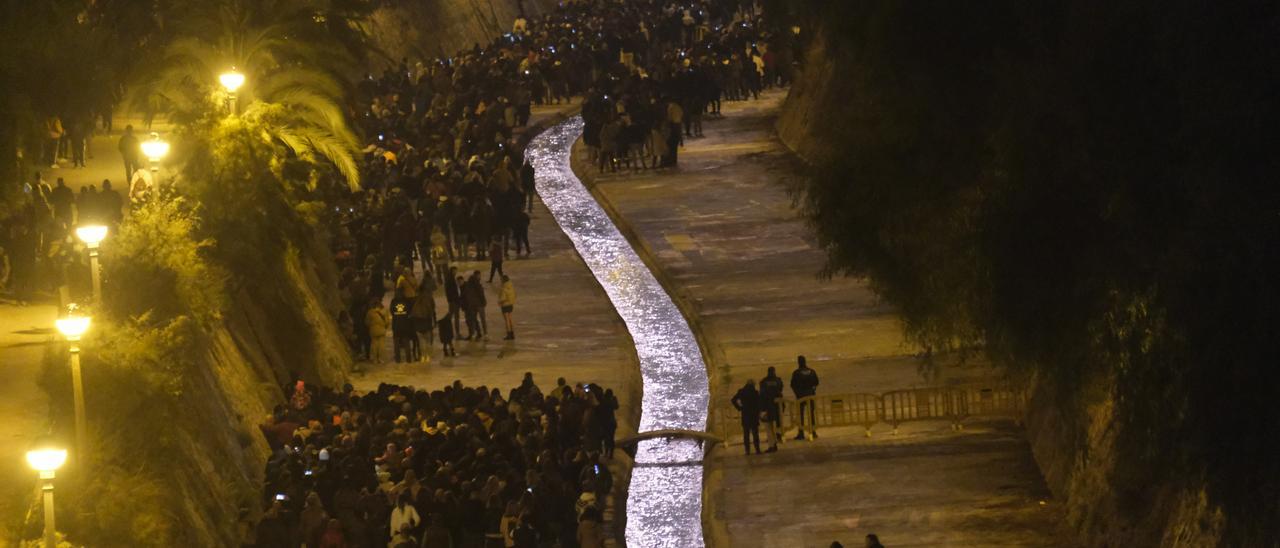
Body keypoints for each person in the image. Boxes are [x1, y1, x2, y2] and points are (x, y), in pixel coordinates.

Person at [791, 355, 819, 440]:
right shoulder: (812, 371)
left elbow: (793, 385)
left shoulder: (796, 373)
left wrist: (797, 393)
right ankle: (813, 432)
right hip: (810, 395)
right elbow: (816, 382)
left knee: (801, 415)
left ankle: (801, 433)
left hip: (801, 396)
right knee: (811, 415)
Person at [731, 379, 763, 455]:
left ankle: (747, 451)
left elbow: (733, 400)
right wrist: (759, 413)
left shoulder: (742, 391)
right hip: (754, 415)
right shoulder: (755, 392)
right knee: (755, 433)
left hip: (745, 414)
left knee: (746, 434)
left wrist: (739, 408)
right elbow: (759, 404)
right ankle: (757, 450)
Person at [759, 366, 784, 452]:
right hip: (777, 406)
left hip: (767, 407)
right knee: (777, 424)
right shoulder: (778, 380)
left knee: (768, 428)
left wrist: (762, 409)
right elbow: (780, 390)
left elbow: (762, 395)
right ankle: (777, 438)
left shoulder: (763, 382)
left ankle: (772, 445)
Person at [412, 278, 436, 361]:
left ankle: (423, 356)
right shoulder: (429, 298)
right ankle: (428, 356)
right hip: (427, 320)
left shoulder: (416, 298)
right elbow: (433, 309)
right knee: (428, 340)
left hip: (418, 321)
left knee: (421, 340)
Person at [390, 289, 415, 363]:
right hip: (405, 325)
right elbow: (410, 312)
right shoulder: (407, 301)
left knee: (396, 344)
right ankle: (408, 359)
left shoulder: (393, 301)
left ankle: (398, 360)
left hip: (396, 325)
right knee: (406, 342)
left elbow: (392, 311)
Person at [365, 297, 389, 364]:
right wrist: (385, 326)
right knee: (381, 345)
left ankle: (374, 359)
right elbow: (387, 322)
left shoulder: (370, 312)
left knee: (374, 345)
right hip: (382, 330)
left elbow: (366, 322)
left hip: (373, 330)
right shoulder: (384, 312)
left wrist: (371, 325)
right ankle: (380, 358)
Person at [499, 275, 516, 340]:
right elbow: (514, 294)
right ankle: (512, 334)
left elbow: (502, 298)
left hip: (505, 305)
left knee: (507, 320)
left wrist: (499, 302)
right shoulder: (511, 286)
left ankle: (508, 334)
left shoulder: (503, 288)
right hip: (510, 304)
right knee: (510, 319)